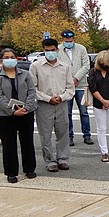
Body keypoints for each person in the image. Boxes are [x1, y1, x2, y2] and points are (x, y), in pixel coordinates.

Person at [0, 48, 37, 183]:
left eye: (12, 57)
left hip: (26, 113)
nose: (10, 60)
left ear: (16, 59)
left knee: (27, 142)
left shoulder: (25, 74)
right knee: (9, 144)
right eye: (6, 57)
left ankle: (29, 169)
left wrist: (26, 107)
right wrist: (12, 110)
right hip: (5, 115)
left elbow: (32, 91)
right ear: (2, 60)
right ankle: (11, 172)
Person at [29, 39, 75, 172]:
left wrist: (62, 97)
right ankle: (50, 160)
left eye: (52, 50)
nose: (50, 53)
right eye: (47, 50)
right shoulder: (36, 66)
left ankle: (63, 158)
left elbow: (70, 88)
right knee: (46, 134)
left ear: (57, 50)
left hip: (62, 104)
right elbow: (33, 88)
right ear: (43, 50)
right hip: (44, 105)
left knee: (63, 132)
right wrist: (48, 98)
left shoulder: (65, 67)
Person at [59, 29, 93, 146]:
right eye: (66, 40)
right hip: (66, 87)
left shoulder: (81, 48)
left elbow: (86, 65)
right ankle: (69, 136)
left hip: (81, 85)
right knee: (67, 113)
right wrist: (69, 80)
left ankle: (87, 135)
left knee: (84, 112)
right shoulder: (58, 50)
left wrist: (77, 78)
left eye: (70, 40)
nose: (68, 42)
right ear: (63, 39)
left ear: (73, 39)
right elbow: (58, 67)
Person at [88, 50, 109, 162]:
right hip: (99, 102)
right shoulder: (93, 72)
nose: (104, 65)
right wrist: (103, 101)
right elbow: (93, 88)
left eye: (106, 62)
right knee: (101, 128)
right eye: (102, 62)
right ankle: (104, 152)